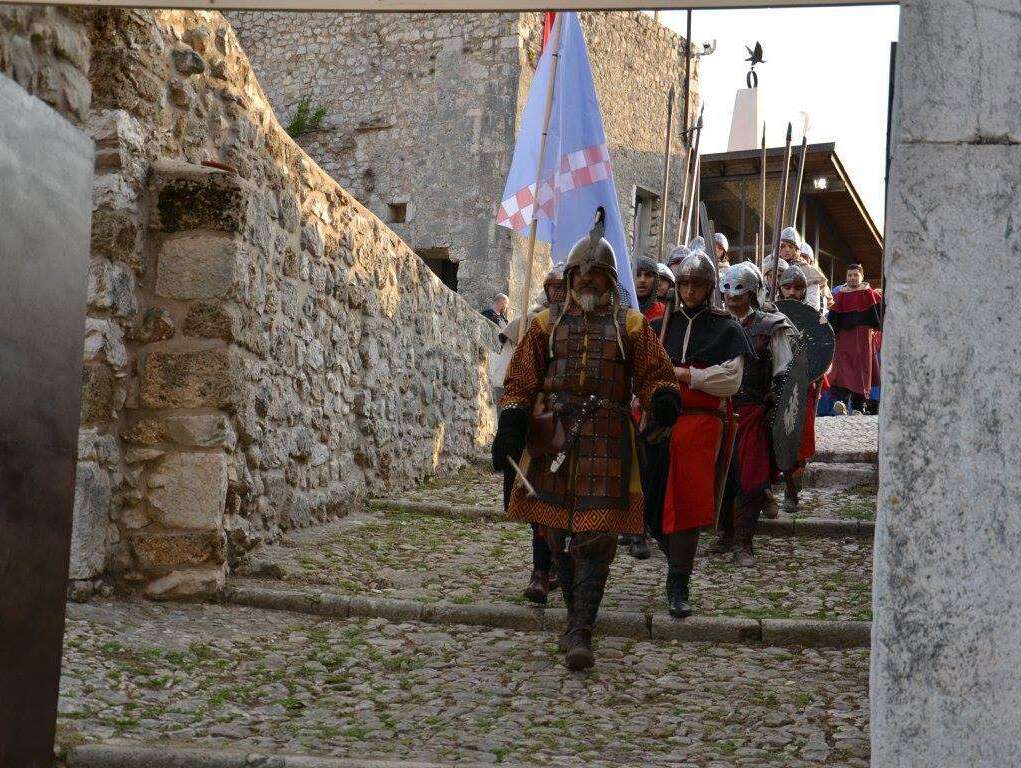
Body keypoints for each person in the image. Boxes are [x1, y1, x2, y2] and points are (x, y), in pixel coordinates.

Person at [492, 215, 681, 671]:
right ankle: (572, 615)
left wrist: (664, 399)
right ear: (572, 276)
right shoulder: (543, 324)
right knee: (557, 531)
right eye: (583, 273)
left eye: (598, 274)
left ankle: (581, 630)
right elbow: (520, 380)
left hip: (607, 437)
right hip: (554, 436)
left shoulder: (631, 325)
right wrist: (512, 423)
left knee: (598, 534)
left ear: (610, 280)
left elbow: (655, 375)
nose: (589, 280)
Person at [644, 251, 751, 617]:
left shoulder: (727, 328)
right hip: (659, 423)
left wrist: (688, 376)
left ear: (709, 288)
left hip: (701, 425)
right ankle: (670, 551)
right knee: (648, 499)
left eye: (698, 284)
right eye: (684, 283)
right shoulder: (659, 327)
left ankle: (679, 583)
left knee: (687, 505)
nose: (690, 290)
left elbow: (730, 380)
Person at [716, 262, 797, 566]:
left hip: (753, 410)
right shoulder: (717, 323)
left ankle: (743, 542)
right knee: (719, 473)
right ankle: (724, 533)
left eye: (739, 294)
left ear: (752, 294)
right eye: (728, 294)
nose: (732, 300)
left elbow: (786, 373)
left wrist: (775, 404)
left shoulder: (770, 327)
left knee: (748, 476)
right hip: (720, 408)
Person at [499, 269, 564, 605]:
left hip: (582, 422)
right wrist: (512, 417)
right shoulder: (531, 323)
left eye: (561, 287)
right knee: (539, 498)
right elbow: (511, 376)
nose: (556, 293)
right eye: (551, 287)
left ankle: (561, 566)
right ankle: (540, 569)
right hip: (538, 422)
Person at [777, 264, 826, 514]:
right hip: (775, 387)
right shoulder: (770, 314)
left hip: (804, 386)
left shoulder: (815, 319)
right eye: (788, 287)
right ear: (780, 288)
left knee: (799, 438)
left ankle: (792, 492)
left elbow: (823, 355)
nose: (793, 292)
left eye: (798, 287)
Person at [828, 264, 881, 414]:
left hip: (864, 342)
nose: (852, 278)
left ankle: (859, 407)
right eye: (849, 275)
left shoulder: (870, 294)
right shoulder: (840, 296)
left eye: (855, 275)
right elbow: (832, 320)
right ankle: (841, 403)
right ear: (846, 277)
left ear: (862, 276)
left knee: (861, 372)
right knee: (841, 371)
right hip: (844, 341)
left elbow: (879, 318)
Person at [634, 256, 666, 321]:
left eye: (648, 275)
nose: (642, 280)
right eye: (637, 275)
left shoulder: (664, 312)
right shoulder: (620, 310)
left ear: (656, 281)